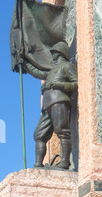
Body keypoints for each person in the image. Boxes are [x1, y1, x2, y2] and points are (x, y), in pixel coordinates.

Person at [23, 41, 77, 169]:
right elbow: (37, 72)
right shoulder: (52, 71)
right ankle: (38, 164)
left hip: (59, 100)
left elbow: (76, 83)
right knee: (39, 135)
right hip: (47, 105)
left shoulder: (67, 66)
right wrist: (24, 63)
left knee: (62, 131)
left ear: (59, 53)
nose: (52, 56)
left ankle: (65, 162)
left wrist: (60, 85)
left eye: (54, 53)